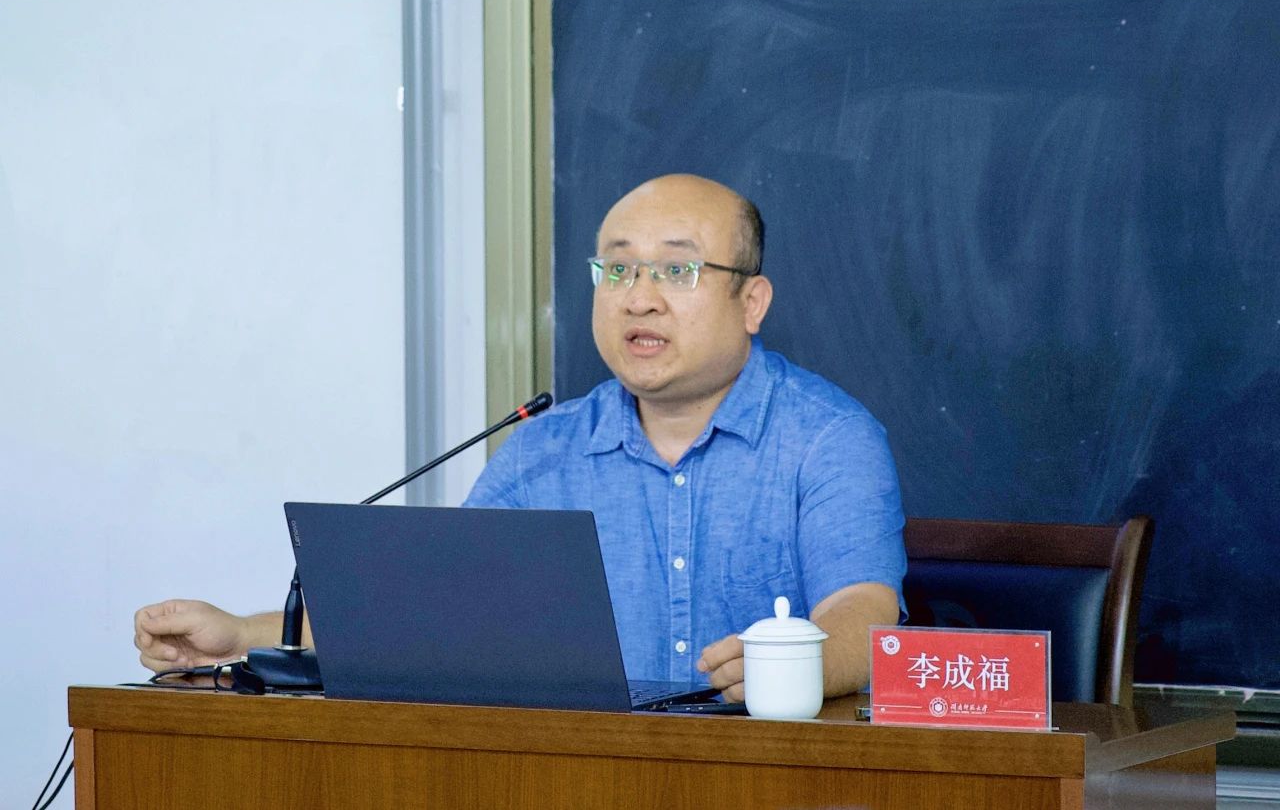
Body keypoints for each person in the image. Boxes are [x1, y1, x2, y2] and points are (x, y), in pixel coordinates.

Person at [134, 174, 906, 702]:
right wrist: (241, 635)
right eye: (617, 271)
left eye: (677, 271)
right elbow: (426, 613)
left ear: (752, 301)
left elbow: (866, 608)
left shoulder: (828, 439)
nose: (639, 298)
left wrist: (791, 660)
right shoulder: (544, 451)